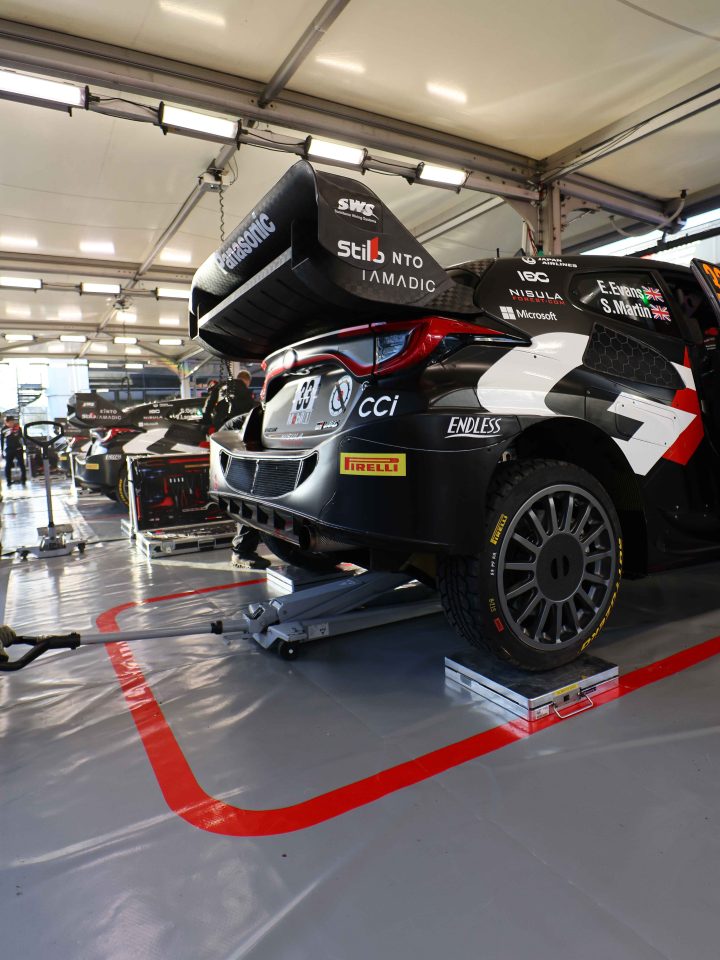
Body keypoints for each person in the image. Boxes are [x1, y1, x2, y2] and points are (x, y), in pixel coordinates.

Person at [4, 419, 26, 486]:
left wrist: (24, 445)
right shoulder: (4, 429)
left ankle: (23, 480)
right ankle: (8, 481)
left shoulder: (18, 428)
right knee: (8, 465)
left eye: (12, 422)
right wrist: (2, 451)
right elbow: (2, 439)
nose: (11, 424)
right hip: (9, 449)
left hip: (18, 448)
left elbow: (21, 437)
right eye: (9, 422)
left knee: (21, 464)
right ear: (7, 423)